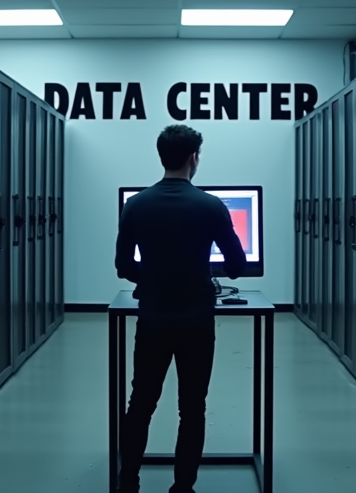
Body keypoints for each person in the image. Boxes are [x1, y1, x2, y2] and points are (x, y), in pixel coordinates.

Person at [114, 124, 247, 493]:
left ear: (162, 156)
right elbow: (237, 266)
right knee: (192, 407)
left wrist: (154, 275)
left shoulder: (136, 205)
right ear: (193, 158)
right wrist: (199, 270)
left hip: (153, 317)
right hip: (197, 321)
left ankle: (128, 483)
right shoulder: (211, 206)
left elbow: (124, 267)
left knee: (140, 402)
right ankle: (182, 487)